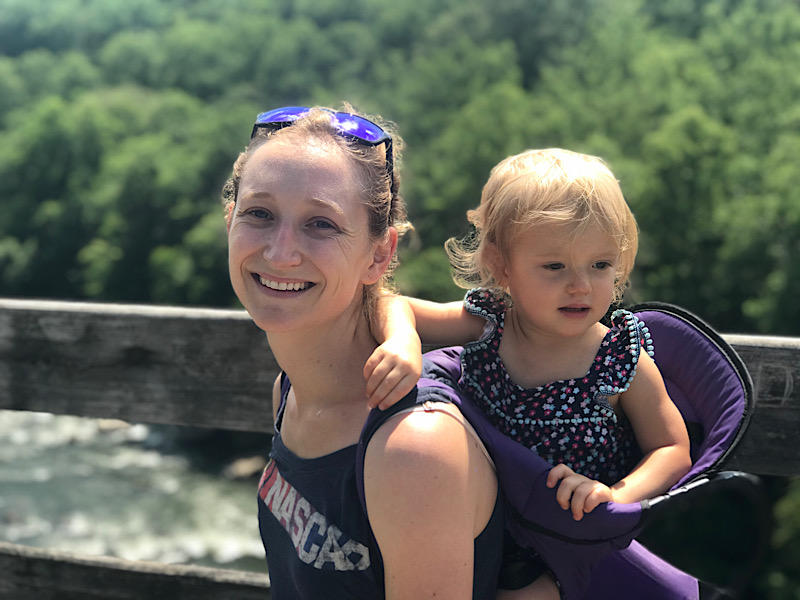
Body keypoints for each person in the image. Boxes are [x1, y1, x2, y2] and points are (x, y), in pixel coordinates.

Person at [223, 106, 558, 599]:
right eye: (259, 214)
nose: (280, 252)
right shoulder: (290, 393)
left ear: (379, 254)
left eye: (321, 224)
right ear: (229, 219)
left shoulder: (411, 447)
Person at [369, 148, 692, 522]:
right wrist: (403, 340)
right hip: (478, 520)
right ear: (500, 265)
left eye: (600, 265)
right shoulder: (490, 323)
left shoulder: (618, 360)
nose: (581, 286)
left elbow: (671, 449)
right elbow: (389, 304)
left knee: (526, 586)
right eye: (555, 266)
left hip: (565, 539)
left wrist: (615, 494)